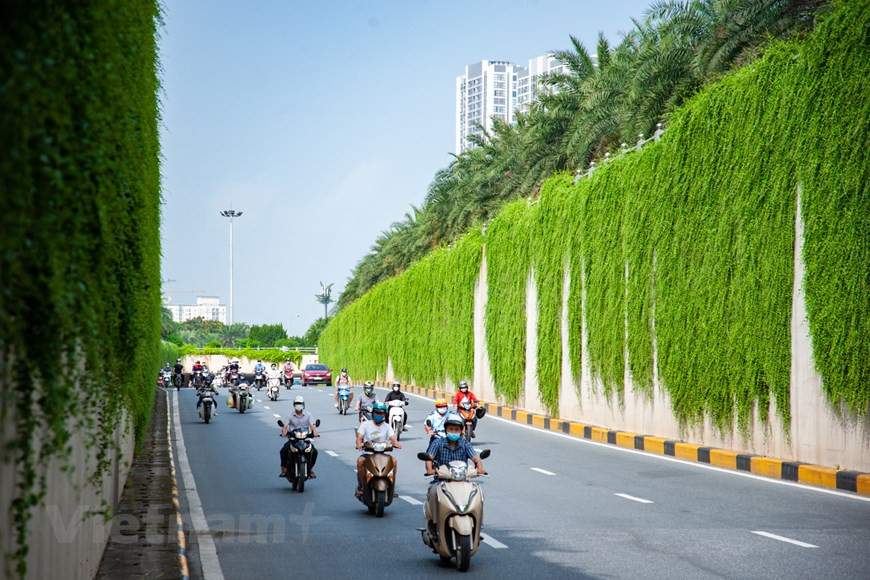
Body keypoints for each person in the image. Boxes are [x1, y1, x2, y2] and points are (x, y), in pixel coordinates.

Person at [355, 402, 401, 497]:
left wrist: (396, 444)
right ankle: (362, 486)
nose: (379, 415)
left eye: (381, 413)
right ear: (373, 413)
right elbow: (359, 438)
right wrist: (359, 444)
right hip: (368, 453)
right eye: (377, 413)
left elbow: (393, 437)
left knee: (394, 461)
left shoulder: (387, 426)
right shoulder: (365, 424)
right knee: (360, 461)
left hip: (382, 454)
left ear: (385, 414)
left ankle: (392, 488)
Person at [280, 396, 319, 478]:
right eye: (297, 403)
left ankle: (310, 469)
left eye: (300, 403)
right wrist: (284, 433)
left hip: (305, 438)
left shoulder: (308, 415)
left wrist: (315, 433)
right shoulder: (290, 415)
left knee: (314, 452)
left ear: (303, 404)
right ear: (294, 405)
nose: (298, 405)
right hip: (293, 439)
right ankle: (285, 468)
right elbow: (285, 427)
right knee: (283, 451)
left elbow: (312, 426)